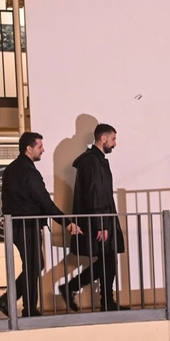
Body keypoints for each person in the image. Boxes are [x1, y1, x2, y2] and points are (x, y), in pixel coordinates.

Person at [0, 132, 76, 318]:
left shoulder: (11, 169)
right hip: (27, 225)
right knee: (33, 266)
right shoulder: (29, 172)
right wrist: (67, 223)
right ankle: (27, 309)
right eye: (40, 146)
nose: (43, 150)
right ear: (29, 148)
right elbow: (44, 202)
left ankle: (11, 302)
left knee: (34, 265)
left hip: (16, 225)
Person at [58, 123, 125, 312]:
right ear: (103, 139)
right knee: (108, 259)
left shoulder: (95, 160)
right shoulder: (93, 161)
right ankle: (100, 299)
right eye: (113, 139)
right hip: (100, 221)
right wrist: (101, 224)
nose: (115, 144)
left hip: (100, 219)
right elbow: (95, 194)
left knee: (107, 259)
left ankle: (103, 299)